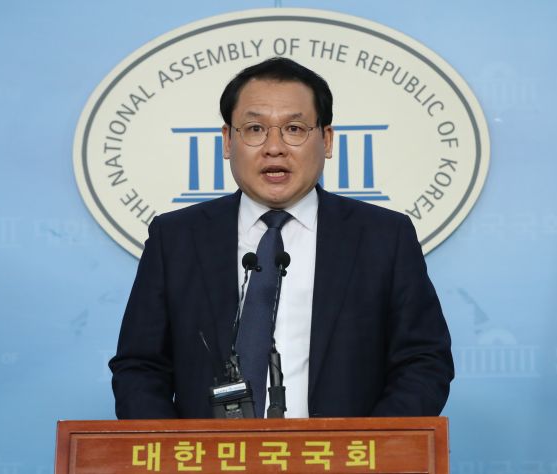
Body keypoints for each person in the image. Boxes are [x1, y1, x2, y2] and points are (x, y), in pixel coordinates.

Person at [109, 57, 454, 419]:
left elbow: (423, 362)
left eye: (294, 129)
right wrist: (174, 449)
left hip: (338, 452)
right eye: (255, 129)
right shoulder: (175, 239)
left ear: (326, 140)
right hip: (209, 452)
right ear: (228, 140)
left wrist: (371, 446)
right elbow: (140, 368)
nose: (274, 147)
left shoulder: (384, 237)